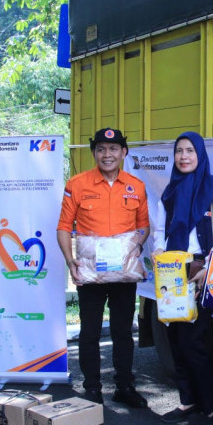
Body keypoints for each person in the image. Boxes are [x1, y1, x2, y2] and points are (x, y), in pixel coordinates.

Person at [57, 127, 150, 407]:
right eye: (100, 149)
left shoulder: (136, 186)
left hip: (124, 274)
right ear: (94, 153)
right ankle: (92, 388)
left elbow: (143, 226)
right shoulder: (77, 184)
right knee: (90, 333)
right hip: (91, 274)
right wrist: (70, 260)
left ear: (124, 152)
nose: (107, 154)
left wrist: (134, 246)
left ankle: (124, 386)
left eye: (113, 149)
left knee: (123, 332)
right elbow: (64, 227)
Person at [152, 131, 213, 425]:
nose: (184, 156)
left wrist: (210, 268)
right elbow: (159, 231)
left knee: (194, 342)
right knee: (175, 339)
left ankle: (211, 408)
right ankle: (187, 401)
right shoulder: (170, 192)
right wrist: (157, 251)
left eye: (190, 150)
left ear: (200, 154)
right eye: (179, 151)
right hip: (172, 272)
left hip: (202, 272)